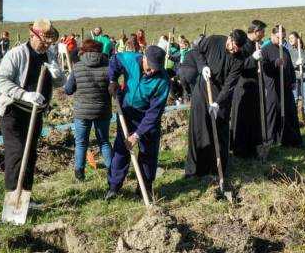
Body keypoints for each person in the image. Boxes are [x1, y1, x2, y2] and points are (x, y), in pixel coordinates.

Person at [0, 19, 64, 197]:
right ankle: (12, 197)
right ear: (32, 35)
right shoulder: (16, 54)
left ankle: (25, 198)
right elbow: (1, 81)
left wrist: (58, 74)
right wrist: (25, 94)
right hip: (13, 111)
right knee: (17, 153)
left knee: (30, 155)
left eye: (49, 42)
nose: (46, 45)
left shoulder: (49, 55)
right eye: (43, 41)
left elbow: (58, 82)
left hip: (35, 114)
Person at [105, 45, 170, 200]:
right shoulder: (130, 59)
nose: (153, 71)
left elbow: (154, 112)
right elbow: (114, 61)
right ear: (144, 58)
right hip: (127, 112)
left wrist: (138, 134)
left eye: (156, 68)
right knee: (121, 149)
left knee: (148, 153)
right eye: (150, 67)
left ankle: (144, 189)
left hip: (147, 118)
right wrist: (113, 80)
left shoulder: (163, 81)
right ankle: (114, 187)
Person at [184, 31, 247, 178]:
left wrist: (218, 103)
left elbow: (230, 84)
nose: (235, 50)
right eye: (234, 46)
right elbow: (197, 50)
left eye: (238, 48)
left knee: (220, 130)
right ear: (230, 38)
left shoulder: (239, 59)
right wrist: (203, 66)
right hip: (202, 89)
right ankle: (195, 170)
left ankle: (218, 168)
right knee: (199, 128)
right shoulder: (214, 40)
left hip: (221, 96)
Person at [64, 39, 112, 181]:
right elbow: (112, 89)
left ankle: (79, 174)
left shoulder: (77, 67)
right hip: (102, 110)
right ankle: (112, 172)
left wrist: (70, 79)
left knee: (81, 143)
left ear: (83, 51)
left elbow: (68, 90)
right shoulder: (108, 67)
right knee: (104, 142)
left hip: (82, 112)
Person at [260, 26, 302, 148]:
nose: (281, 40)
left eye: (283, 38)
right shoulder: (265, 50)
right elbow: (264, 68)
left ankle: (290, 138)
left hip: (286, 86)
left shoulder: (285, 50)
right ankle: (270, 139)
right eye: (279, 37)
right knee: (273, 112)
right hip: (272, 86)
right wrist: (275, 63)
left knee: (289, 111)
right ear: (272, 35)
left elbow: (289, 68)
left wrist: (293, 80)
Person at [230, 20, 267, 158]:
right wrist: (252, 58)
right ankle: (240, 149)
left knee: (253, 117)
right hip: (243, 86)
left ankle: (252, 147)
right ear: (256, 31)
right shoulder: (243, 45)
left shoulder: (257, 45)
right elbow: (239, 65)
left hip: (254, 86)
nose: (264, 35)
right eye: (262, 32)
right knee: (243, 118)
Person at [288, 31, 305, 125]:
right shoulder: (289, 52)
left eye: (292, 38)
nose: (290, 40)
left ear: (297, 39)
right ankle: (294, 119)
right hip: (295, 78)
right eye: (289, 38)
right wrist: (295, 64)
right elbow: (288, 66)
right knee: (294, 99)